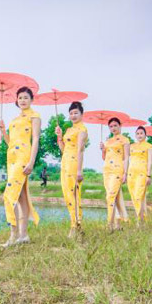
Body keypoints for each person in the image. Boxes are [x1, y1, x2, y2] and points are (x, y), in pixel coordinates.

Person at [0, 87, 41, 246]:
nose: (22, 100)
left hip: (24, 157)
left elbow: (35, 139)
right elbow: (10, 143)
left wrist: (31, 162)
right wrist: (3, 131)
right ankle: (24, 235)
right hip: (11, 158)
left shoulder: (34, 116)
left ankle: (13, 235)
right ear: (16, 100)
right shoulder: (14, 120)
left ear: (31, 100)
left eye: (25, 97)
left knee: (9, 195)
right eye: (20, 97)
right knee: (22, 196)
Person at [55, 101, 88, 237]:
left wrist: (79, 171)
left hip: (74, 164)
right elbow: (64, 149)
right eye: (71, 113)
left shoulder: (82, 130)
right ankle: (77, 226)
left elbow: (80, 150)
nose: (73, 115)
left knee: (74, 194)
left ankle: (75, 226)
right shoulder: (69, 130)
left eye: (76, 113)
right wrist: (59, 136)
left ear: (81, 114)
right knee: (67, 194)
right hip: (65, 163)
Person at [99, 117, 130, 231]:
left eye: (115, 125)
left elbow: (126, 158)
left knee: (110, 195)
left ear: (120, 126)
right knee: (114, 197)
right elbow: (104, 158)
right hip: (107, 170)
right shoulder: (107, 141)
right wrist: (103, 149)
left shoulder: (125, 140)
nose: (113, 128)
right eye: (111, 126)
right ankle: (117, 224)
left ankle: (109, 224)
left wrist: (125, 173)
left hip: (117, 170)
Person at [127, 126, 152, 226]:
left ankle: (139, 221)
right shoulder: (131, 146)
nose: (139, 135)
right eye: (137, 133)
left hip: (142, 174)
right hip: (131, 174)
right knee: (135, 197)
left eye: (141, 133)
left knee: (139, 196)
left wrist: (149, 175)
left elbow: (150, 162)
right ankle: (142, 219)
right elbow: (124, 157)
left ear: (145, 135)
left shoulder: (149, 146)